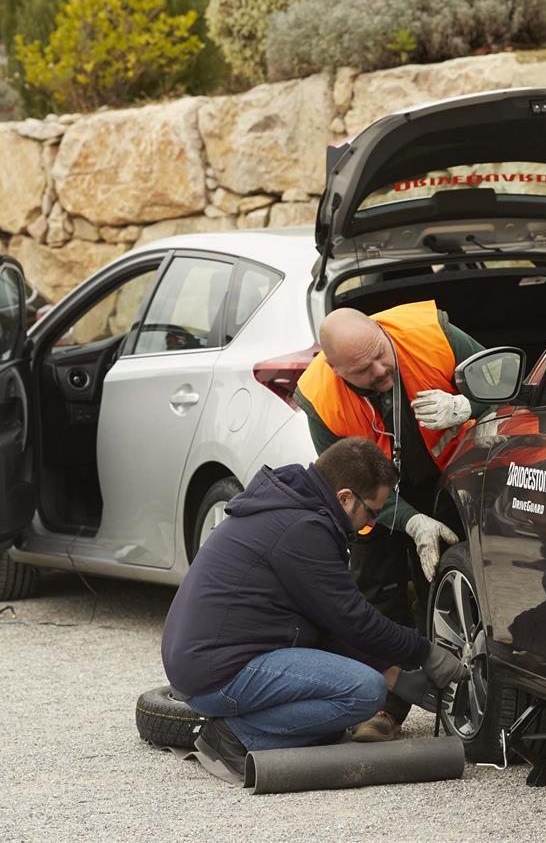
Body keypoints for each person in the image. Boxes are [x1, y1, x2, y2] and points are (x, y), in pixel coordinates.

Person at [161, 437, 463, 780]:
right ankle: (234, 735)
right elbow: (353, 619)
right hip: (217, 673)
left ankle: (253, 725)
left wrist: (392, 671)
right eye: (371, 515)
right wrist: (424, 651)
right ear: (345, 498)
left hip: (206, 663)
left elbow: (326, 624)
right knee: (364, 692)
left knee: (343, 708)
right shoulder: (303, 529)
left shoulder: (291, 509)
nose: (370, 526)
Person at [293, 302, 486, 740]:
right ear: (336, 368)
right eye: (364, 370)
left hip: (446, 479)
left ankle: (470, 694)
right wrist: (411, 521)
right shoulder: (321, 397)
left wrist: (466, 404)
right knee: (373, 592)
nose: (381, 370)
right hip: (375, 498)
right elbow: (347, 483)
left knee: (452, 582)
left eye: (382, 354)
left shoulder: (434, 335)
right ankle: (383, 708)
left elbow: (509, 386)